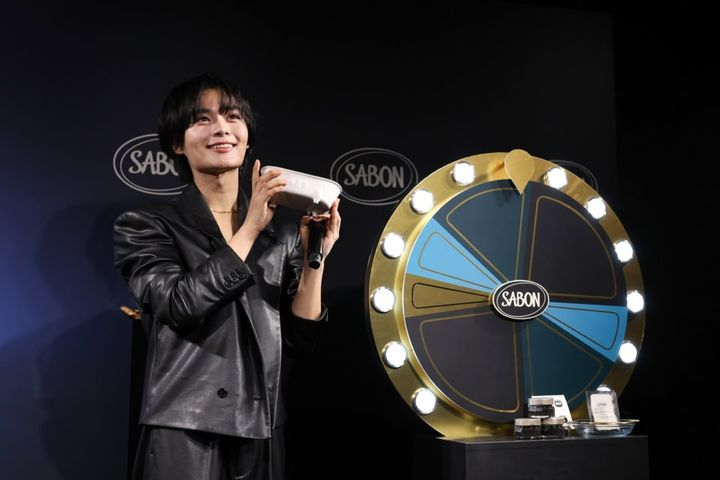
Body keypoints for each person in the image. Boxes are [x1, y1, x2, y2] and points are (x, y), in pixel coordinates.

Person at [113, 73, 341, 480]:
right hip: (185, 425)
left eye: (232, 116)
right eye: (202, 119)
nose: (221, 128)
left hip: (263, 425)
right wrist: (250, 227)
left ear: (247, 137)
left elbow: (299, 339)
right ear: (177, 143)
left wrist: (314, 257)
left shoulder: (283, 235)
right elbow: (179, 305)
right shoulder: (147, 225)